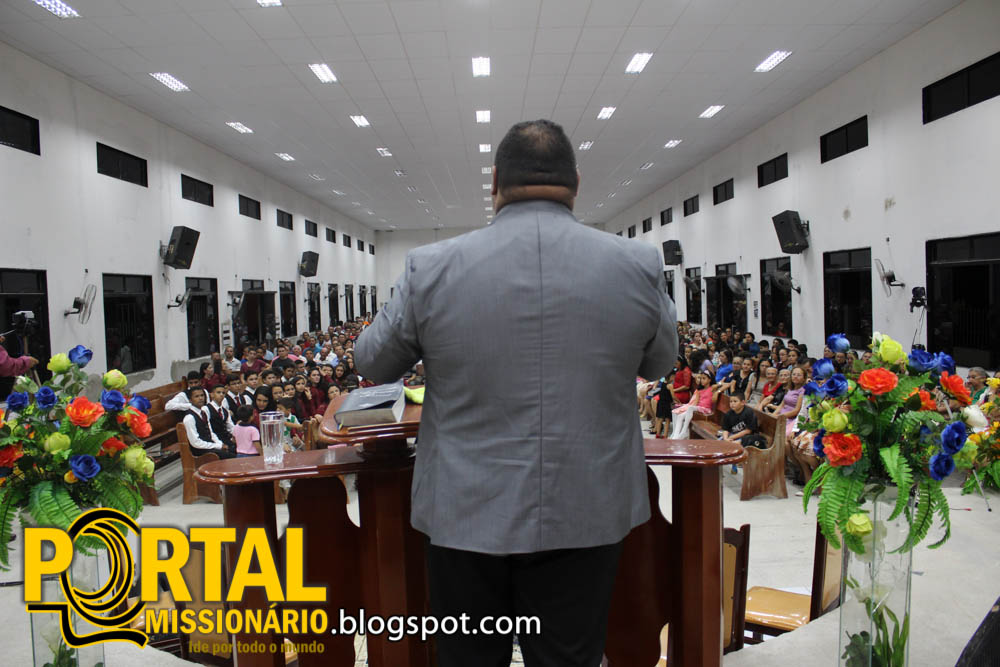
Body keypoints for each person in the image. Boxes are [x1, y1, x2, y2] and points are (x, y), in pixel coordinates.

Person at [355, 119, 676, 667]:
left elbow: (373, 360)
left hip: (464, 513)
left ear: (495, 181)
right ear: (576, 182)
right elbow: (661, 362)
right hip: (586, 508)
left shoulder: (430, 266)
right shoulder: (637, 263)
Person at [181, 386, 235, 458]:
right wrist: (216, 446)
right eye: (196, 396)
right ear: (190, 400)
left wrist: (220, 444)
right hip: (201, 450)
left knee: (234, 449)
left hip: (210, 445)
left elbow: (211, 432)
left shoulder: (203, 413)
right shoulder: (189, 418)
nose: (200, 398)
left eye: (202, 395)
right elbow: (195, 442)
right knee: (230, 455)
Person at [670, 371, 714, 439]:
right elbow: (696, 403)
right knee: (680, 416)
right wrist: (687, 409)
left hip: (706, 409)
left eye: (704, 378)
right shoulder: (699, 390)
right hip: (698, 408)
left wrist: (719, 387)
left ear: (710, 380)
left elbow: (722, 385)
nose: (702, 380)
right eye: (701, 378)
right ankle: (675, 436)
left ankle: (684, 431)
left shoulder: (712, 388)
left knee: (691, 408)